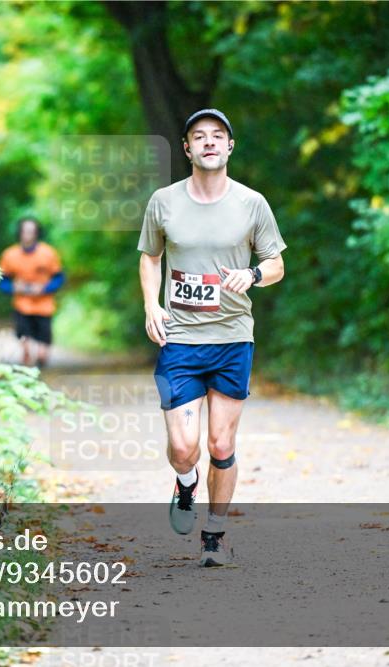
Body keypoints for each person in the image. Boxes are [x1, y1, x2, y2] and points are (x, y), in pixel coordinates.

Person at [138, 109, 287, 567]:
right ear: (186, 148)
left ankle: (215, 536)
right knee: (185, 448)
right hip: (180, 339)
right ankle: (186, 483)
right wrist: (151, 305)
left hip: (232, 338)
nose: (208, 142)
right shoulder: (163, 202)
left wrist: (253, 273)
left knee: (222, 445)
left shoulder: (252, 203)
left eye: (217, 136)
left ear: (229, 146)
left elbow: (277, 264)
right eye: (198, 137)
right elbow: (150, 257)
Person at [0, 217, 65, 368]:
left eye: (31, 231)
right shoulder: (9, 255)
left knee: (44, 340)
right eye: (25, 231)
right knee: (23, 332)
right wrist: (14, 288)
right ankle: (26, 355)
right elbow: (2, 281)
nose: (28, 235)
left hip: (44, 304)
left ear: (37, 233)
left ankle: (42, 357)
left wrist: (45, 288)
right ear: (19, 233)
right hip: (22, 304)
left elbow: (59, 278)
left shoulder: (48, 253)